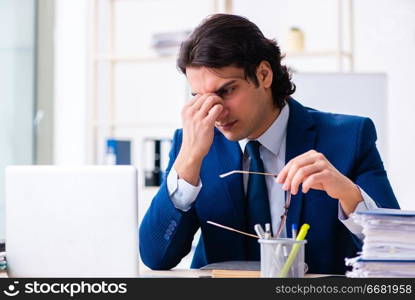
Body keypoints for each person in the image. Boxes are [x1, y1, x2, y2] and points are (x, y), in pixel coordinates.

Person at [139, 13, 399, 274]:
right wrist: (188, 161)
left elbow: (396, 250)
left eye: (226, 91)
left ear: (264, 75)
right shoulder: (190, 143)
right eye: (199, 96)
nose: (214, 111)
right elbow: (156, 258)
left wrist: (348, 195)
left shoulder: (349, 137)